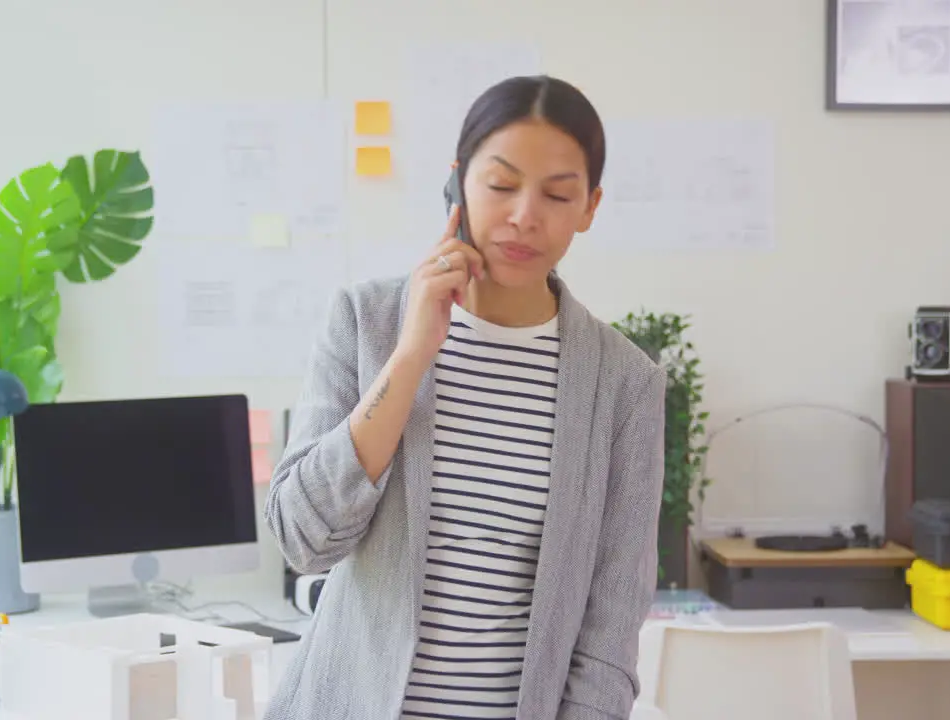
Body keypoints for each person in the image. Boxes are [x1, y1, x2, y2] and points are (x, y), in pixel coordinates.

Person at [263, 74, 665, 720]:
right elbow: (303, 538)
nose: (524, 215)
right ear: (457, 182)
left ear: (590, 207)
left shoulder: (625, 385)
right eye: (501, 185)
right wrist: (412, 354)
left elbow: (611, 631)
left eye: (557, 194)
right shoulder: (366, 322)